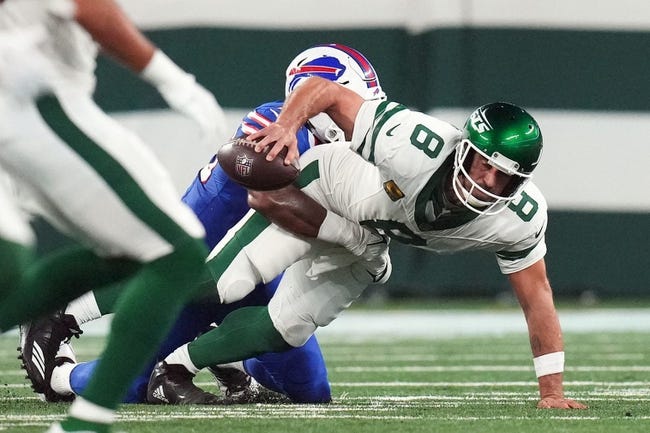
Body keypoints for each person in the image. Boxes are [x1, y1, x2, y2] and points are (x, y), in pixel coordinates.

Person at [147, 76, 588, 410]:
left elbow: (537, 297)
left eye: (505, 176)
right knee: (219, 284)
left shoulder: (517, 219)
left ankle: (178, 368)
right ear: (464, 147)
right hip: (328, 191)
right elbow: (325, 89)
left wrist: (551, 391)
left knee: (289, 328)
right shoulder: (413, 142)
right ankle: (80, 307)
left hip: (368, 240)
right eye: (482, 163)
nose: (487, 181)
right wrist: (286, 126)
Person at [21, 43, 388, 406]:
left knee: (311, 390)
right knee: (134, 383)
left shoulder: (347, 159)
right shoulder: (275, 126)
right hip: (194, 268)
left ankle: (225, 355)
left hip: (253, 274)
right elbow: (268, 192)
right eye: (348, 100)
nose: (358, 114)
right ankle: (61, 363)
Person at [0, 0, 226, 432]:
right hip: (37, 99)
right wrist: (173, 79)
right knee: (176, 256)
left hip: (25, 95)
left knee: (21, 261)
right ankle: (88, 422)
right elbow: (85, 5)